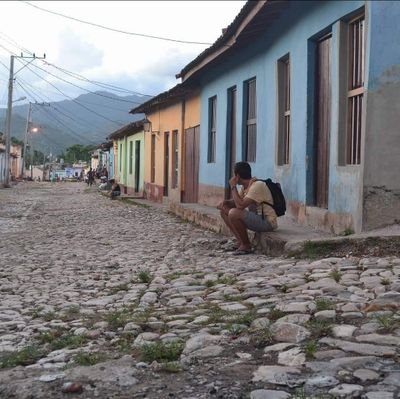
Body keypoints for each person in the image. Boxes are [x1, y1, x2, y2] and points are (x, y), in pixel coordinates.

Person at [217, 161, 277, 255]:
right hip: (256, 218)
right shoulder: (246, 187)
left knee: (233, 213)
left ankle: (246, 245)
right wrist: (225, 203)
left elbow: (240, 205)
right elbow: (236, 202)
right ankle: (240, 242)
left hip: (267, 222)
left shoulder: (257, 185)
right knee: (224, 212)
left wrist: (233, 186)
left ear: (237, 176)